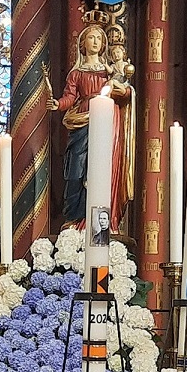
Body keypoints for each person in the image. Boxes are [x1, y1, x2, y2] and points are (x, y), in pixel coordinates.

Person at [48, 22, 132, 229]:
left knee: (104, 167)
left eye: (99, 38)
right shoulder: (76, 73)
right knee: (77, 167)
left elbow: (126, 91)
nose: (95, 42)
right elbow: (70, 97)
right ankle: (76, 219)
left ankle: (103, 220)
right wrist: (58, 104)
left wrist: (122, 90)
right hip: (83, 118)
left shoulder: (109, 72)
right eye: (91, 38)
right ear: (82, 44)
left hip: (107, 121)